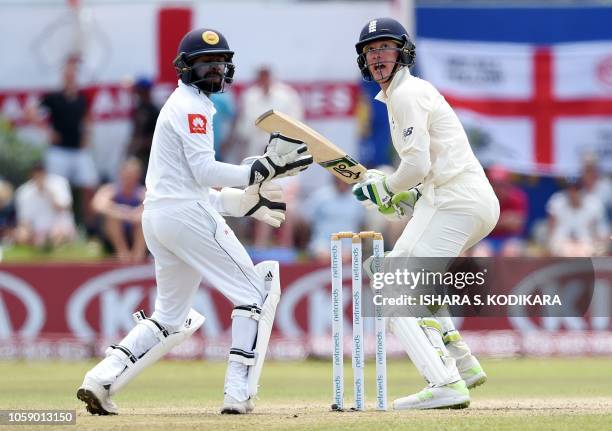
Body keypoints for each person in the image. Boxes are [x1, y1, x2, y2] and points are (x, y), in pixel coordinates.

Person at [76, 27, 312, 416]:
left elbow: (192, 184)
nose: (215, 70)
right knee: (256, 294)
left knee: (169, 317)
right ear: (185, 68)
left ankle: (100, 379)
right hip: (184, 216)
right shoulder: (192, 106)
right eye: (206, 63)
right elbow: (204, 172)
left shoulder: (186, 104)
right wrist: (263, 168)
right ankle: (238, 393)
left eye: (220, 63)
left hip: (160, 218)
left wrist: (244, 204)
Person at [351, 18, 500, 410]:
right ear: (363, 61)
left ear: (403, 52)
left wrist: (386, 187)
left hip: (456, 200)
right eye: (371, 51)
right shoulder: (402, 96)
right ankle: (461, 364)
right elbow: (428, 167)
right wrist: (408, 196)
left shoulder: (407, 93)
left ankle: (445, 381)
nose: (378, 56)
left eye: (385, 48)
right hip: (458, 197)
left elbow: (415, 164)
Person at [26, 55, 99, 227]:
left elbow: (87, 118)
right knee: (58, 190)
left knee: (90, 184)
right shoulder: (53, 97)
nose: (70, 76)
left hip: (78, 150)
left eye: (73, 73)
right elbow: (30, 112)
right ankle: (60, 227)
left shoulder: (82, 98)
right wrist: (46, 130)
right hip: (58, 151)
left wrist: (86, 136)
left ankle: (89, 227)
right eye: (68, 73)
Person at [91, 157, 146, 263]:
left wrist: (136, 214)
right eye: (127, 174)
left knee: (143, 220)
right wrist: (122, 212)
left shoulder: (143, 193)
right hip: (111, 237)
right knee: (112, 218)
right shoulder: (110, 190)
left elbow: (152, 209)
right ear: (121, 173)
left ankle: (138, 255)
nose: (129, 178)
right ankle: (123, 254)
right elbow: (97, 205)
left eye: (132, 175)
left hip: (136, 234)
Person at [13, 163, 76, 248]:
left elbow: (64, 208)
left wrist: (49, 192)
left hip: (59, 227)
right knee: (21, 234)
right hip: (36, 230)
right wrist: (28, 233)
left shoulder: (59, 183)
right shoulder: (23, 192)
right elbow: (24, 220)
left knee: (58, 234)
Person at [546, 177, 608, 257]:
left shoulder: (594, 204)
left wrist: (598, 243)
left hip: (586, 243)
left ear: (582, 190)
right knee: (561, 248)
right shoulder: (557, 201)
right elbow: (551, 227)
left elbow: (601, 231)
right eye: (570, 189)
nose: (573, 193)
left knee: (593, 249)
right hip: (562, 242)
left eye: (577, 189)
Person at [126, 77, 160, 181]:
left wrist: (141, 143)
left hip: (150, 156)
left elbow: (158, 137)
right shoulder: (138, 109)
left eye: (140, 91)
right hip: (138, 154)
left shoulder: (155, 111)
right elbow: (136, 131)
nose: (138, 94)